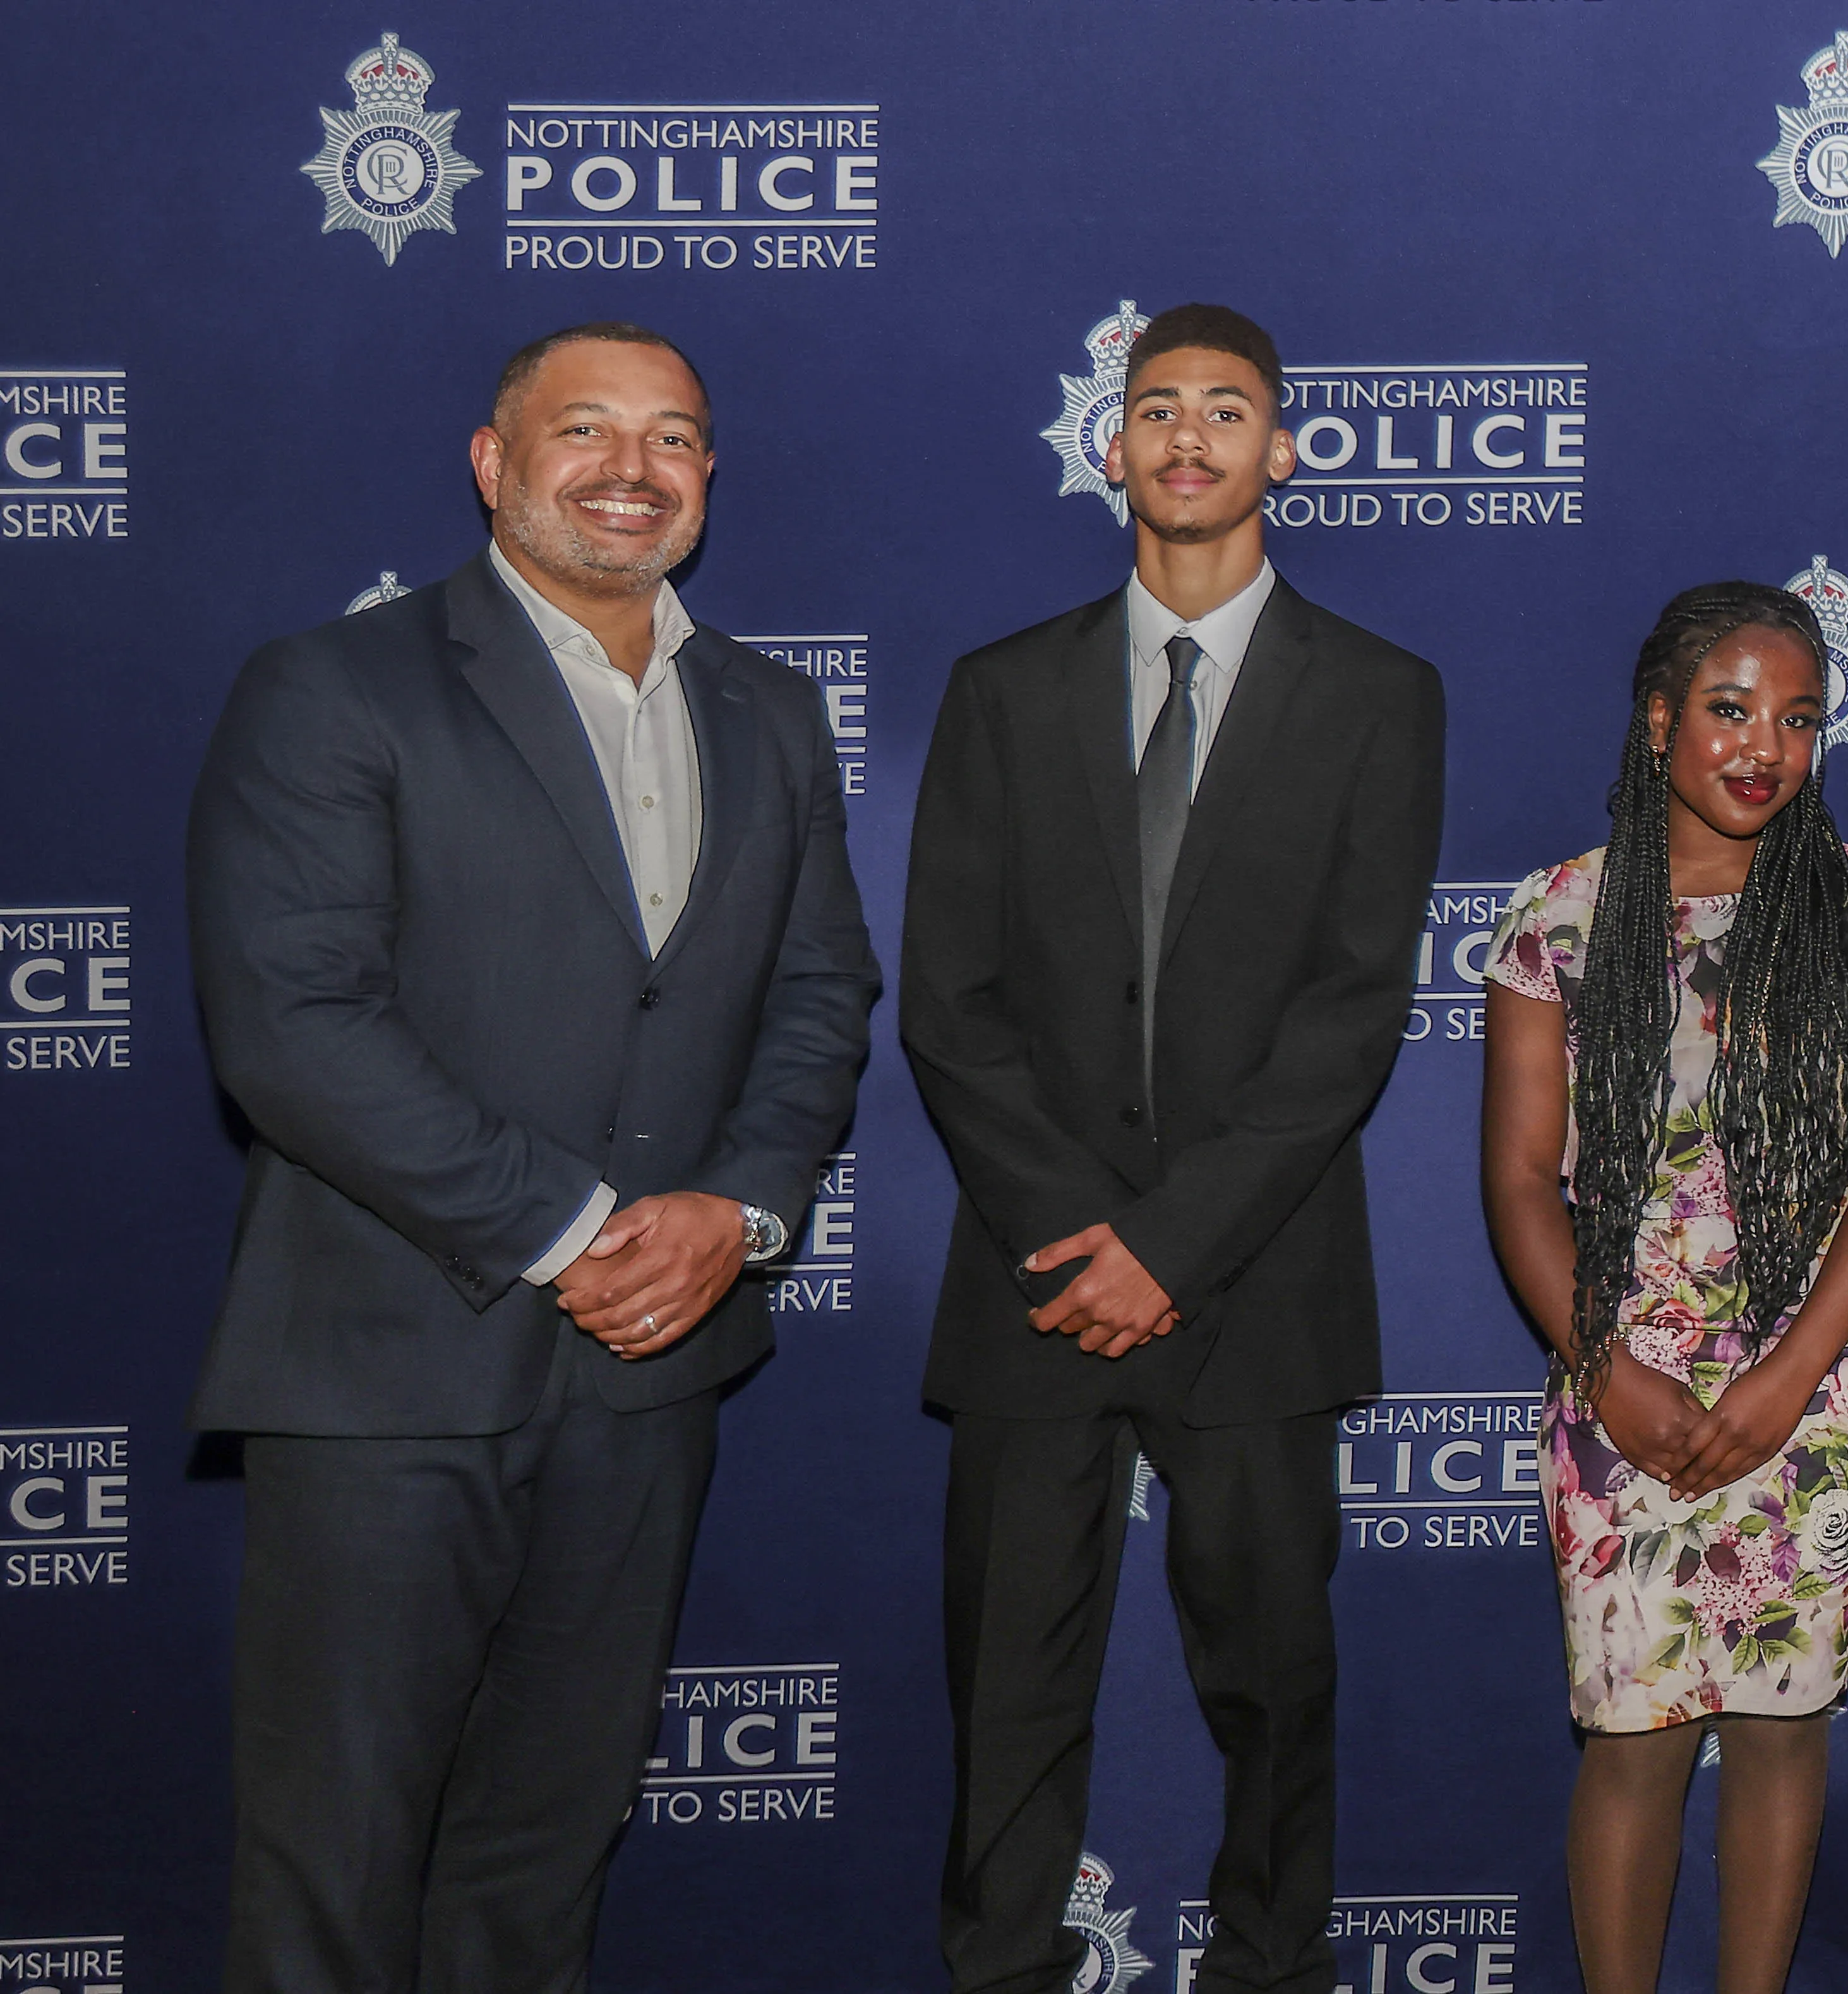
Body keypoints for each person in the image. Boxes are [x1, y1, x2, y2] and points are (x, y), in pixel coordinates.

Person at [186, 320, 877, 1989]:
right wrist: (581, 1229)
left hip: (646, 1388)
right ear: (494, 464)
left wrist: (738, 1206)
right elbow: (296, 1025)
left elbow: (818, 993)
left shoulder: (771, 713)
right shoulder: (334, 685)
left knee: (542, 1856)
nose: (631, 468)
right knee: (332, 1869)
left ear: (709, 480)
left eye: (675, 437)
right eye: (585, 430)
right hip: (387, 1371)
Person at [901, 302, 1451, 1994]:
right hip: (1034, 1281)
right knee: (1005, 1701)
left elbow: (1353, 1016)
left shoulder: (1381, 694)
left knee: (1276, 1692)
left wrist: (1176, 1243)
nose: (1191, 435)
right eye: (1158, 409)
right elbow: (950, 998)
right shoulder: (1001, 690)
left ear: (1283, 449)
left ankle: (1271, 1972)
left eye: (1228, 408)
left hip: (1259, 1285)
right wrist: (1085, 1234)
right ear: (1112, 445)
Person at [1478, 581, 1848, 1994]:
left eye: (1798, 718)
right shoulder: (1558, 916)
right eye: (1732, 709)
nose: (1765, 747)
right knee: (1636, 1734)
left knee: (1787, 1727)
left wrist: (1791, 1374)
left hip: (1821, 1375)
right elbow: (1515, 1183)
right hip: (1617, 1373)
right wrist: (1606, 1370)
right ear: (1661, 717)